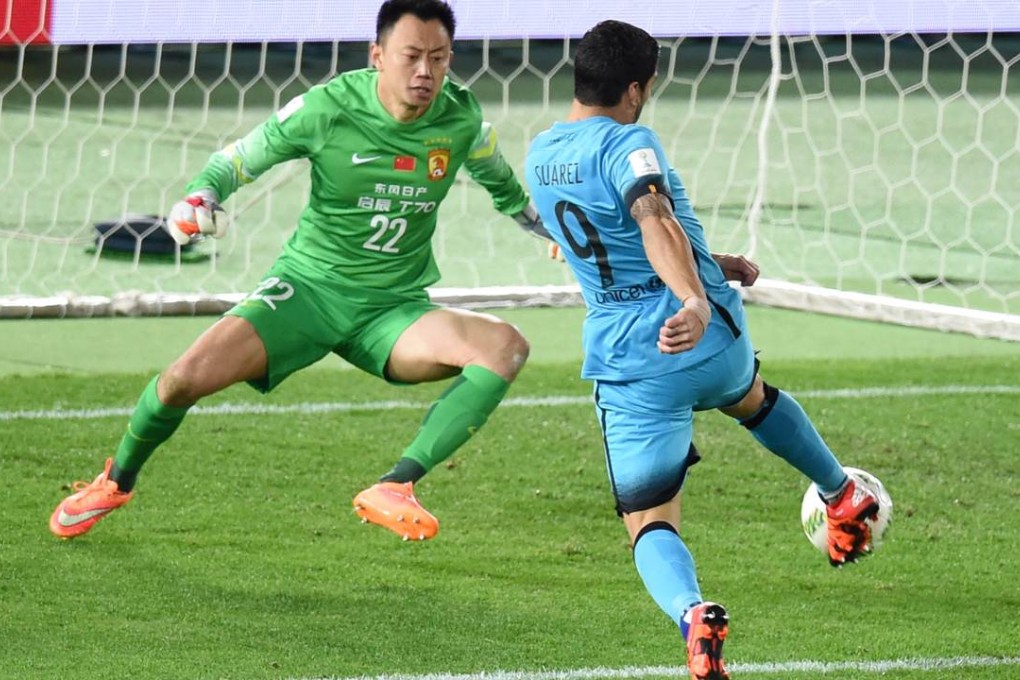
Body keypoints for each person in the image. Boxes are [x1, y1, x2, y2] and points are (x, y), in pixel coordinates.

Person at [49, 0, 549, 543]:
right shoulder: (327, 108)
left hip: (393, 311)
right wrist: (200, 196)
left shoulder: (462, 119)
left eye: (439, 57)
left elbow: (502, 184)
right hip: (307, 293)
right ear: (378, 56)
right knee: (182, 380)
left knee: (505, 346)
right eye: (411, 56)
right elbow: (235, 161)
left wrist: (547, 229)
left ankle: (396, 486)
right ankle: (115, 482)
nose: (425, 71)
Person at [525, 21, 880, 680]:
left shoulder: (540, 156)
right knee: (749, 396)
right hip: (712, 337)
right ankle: (841, 494)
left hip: (637, 361)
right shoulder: (631, 142)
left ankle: (694, 616)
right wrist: (696, 293)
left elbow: (619, 234)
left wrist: (699, 273)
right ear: (638, 88)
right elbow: (652, 217)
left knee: (648, 519)